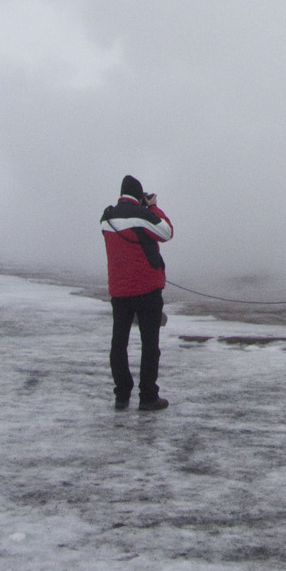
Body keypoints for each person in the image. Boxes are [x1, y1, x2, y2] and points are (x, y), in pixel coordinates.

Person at [101, 175, 174, 411]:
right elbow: (166, 232)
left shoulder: (107, 217)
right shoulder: (142, 216)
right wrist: (152, 207)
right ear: (139, 195)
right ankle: (148, 396)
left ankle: (122, 395)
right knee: (149, 344)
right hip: (147, 289)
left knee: (119, 344)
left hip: (119, 290)